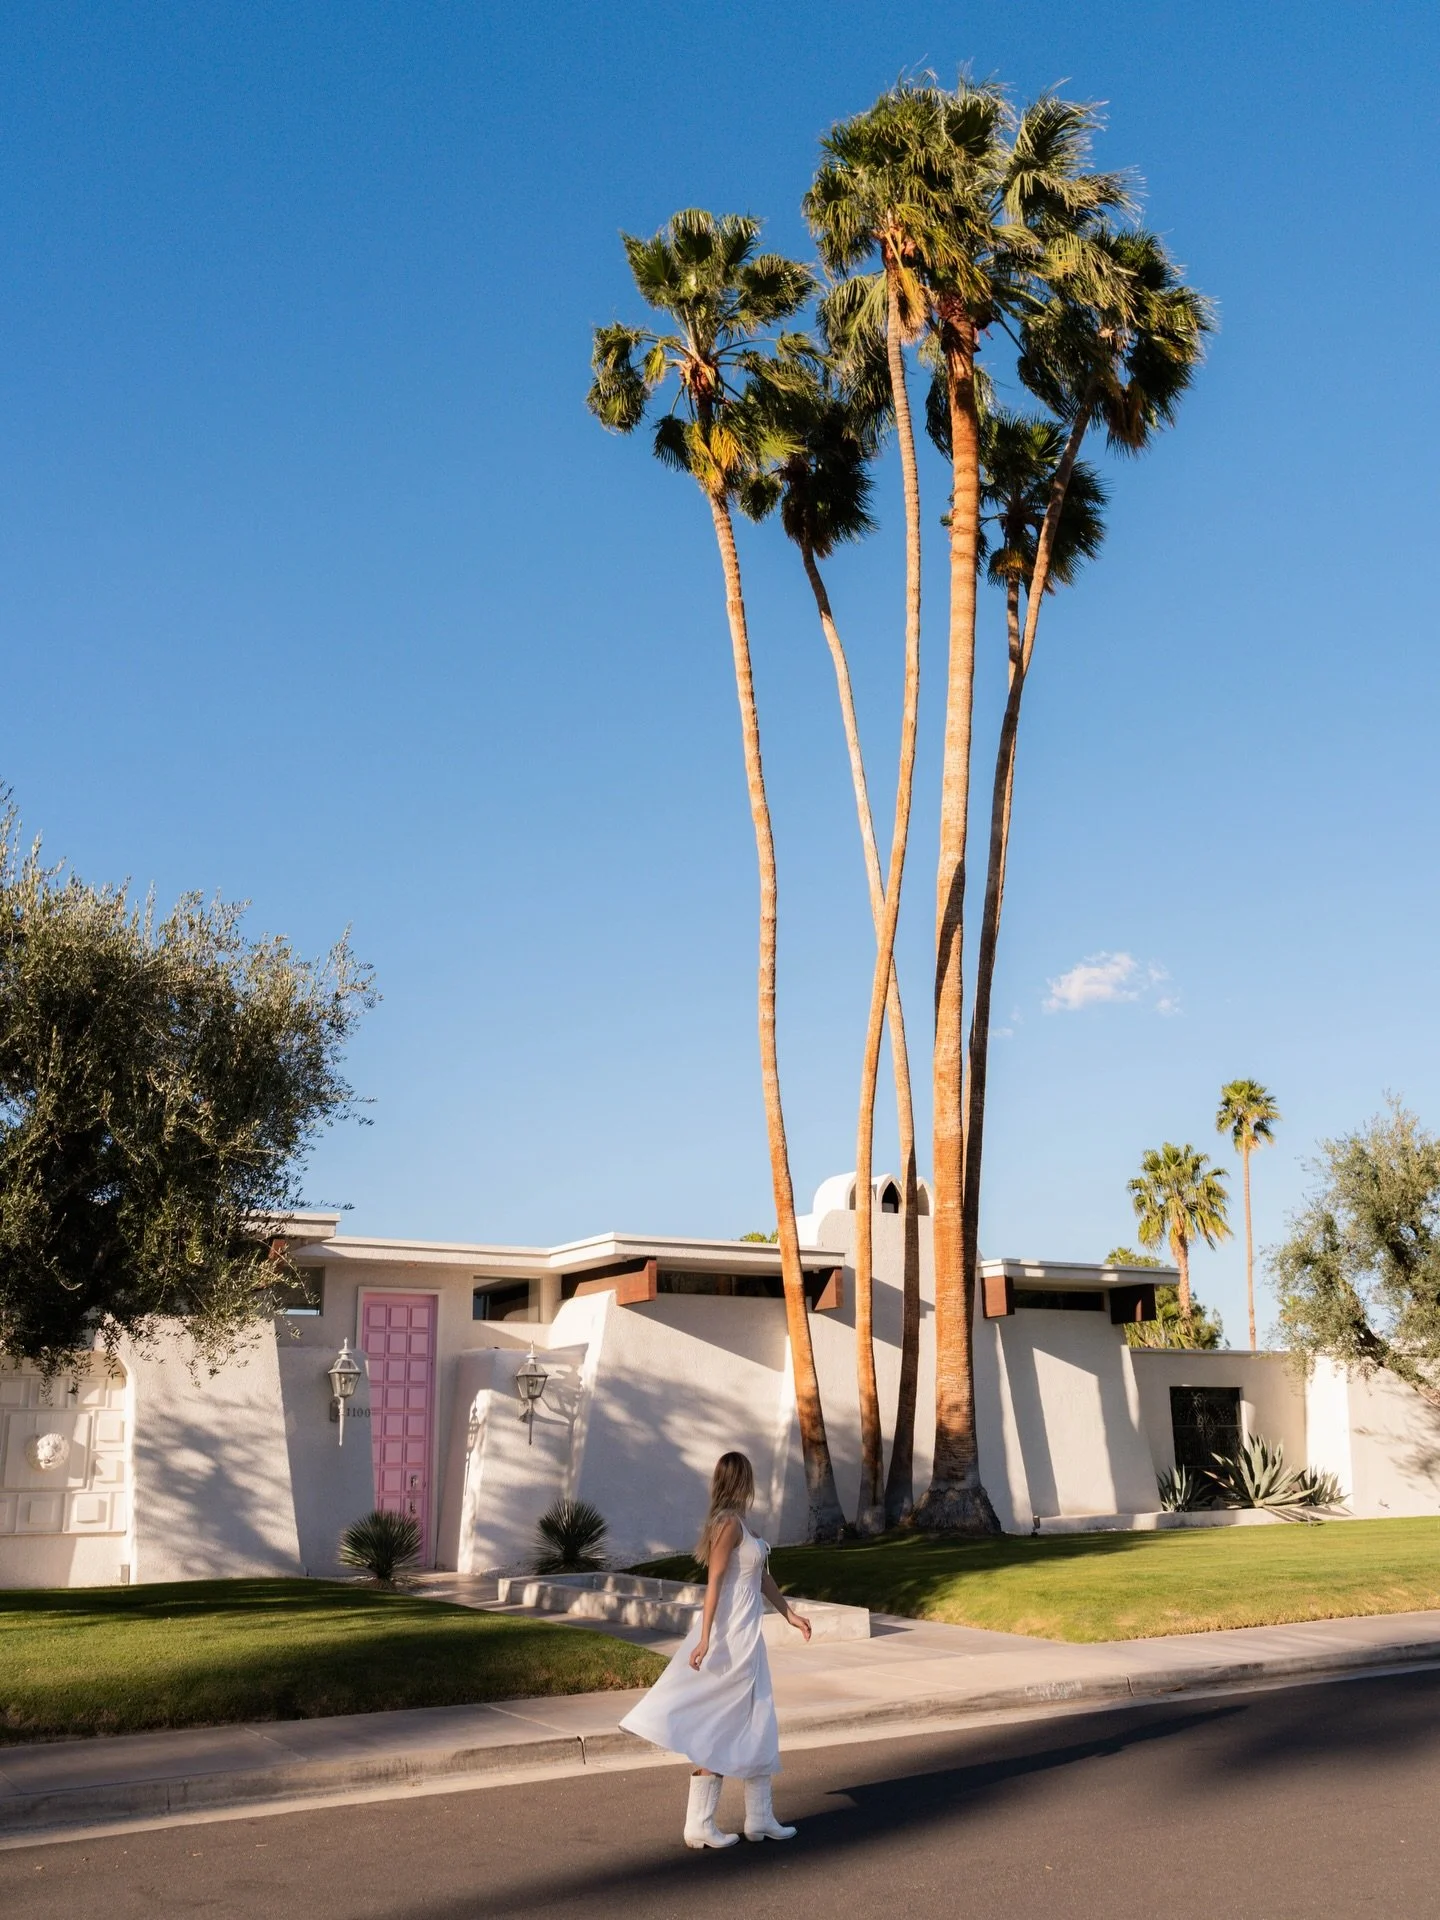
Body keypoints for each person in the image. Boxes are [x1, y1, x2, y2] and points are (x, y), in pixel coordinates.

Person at [619, 1449, 812, 1848]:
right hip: (731, 1639)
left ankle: (760, 1818)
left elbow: (761, 1579)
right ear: (742, 1480)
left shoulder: (741, 1524)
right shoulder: (727, 1525)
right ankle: (700, 1824)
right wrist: (705, 1638)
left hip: (749, 1638)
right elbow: (715, 1582)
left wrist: (789, 1614)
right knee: (724, 1722)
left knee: (759, 1719)